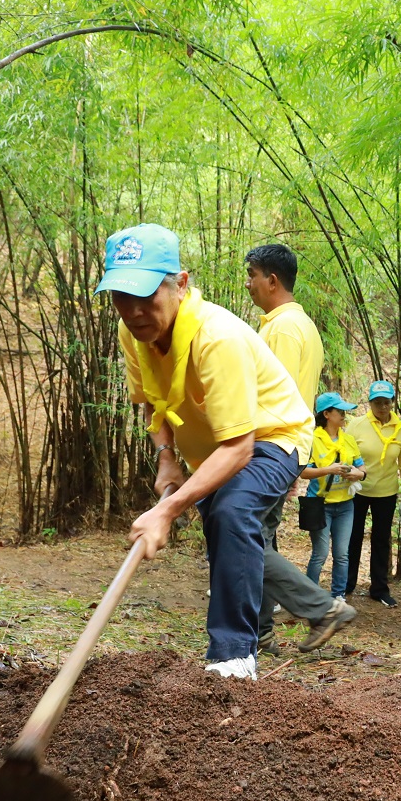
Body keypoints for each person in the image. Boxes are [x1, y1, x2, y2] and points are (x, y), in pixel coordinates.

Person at [103, 224, 312, 680]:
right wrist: (167, 458)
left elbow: (239, 448)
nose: (134, 311)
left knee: (233, 510)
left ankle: (235, 656)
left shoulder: (218, 337)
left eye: (146, 295)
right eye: (121, 296)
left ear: (180, 284)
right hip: (216, 450)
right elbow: (153, 403)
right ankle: (246, 642)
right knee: (221, 522)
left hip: (274, 437)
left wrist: (167, 510)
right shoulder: (133, 332)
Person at [244, 242, 355, 651]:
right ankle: (261, 630)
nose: (248, 283)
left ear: (272, 280)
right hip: (285, 446)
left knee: (243, 534)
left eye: (253, 275)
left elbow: (278, 394)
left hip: (270, 445)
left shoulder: (285, 328)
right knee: (258, 536)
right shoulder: (298, 324)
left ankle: (320, 608)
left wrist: (266, 454)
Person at [345, 381, 401, 606]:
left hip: (386, 492)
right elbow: (345, 454)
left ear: (392, 402)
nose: (382, 407)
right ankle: (347, 583)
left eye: (386, 402)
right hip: (357, 490)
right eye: (377, 403)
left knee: (381, 539)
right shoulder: (357, 425)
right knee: (352, 536)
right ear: (370, 403)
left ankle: (379, 588)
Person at [302, 392, 366, 605]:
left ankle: (338, 595)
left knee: (342, 554)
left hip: (345, 505)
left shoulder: (348, 440)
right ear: (327, 414)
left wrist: (358, 474)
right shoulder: (313, 440)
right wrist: (329, 469)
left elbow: (362, 468)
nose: (344, 415)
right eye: (340, 411)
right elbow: (303, 472)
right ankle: (311, 596)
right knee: (320, 554)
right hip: (321, 505)